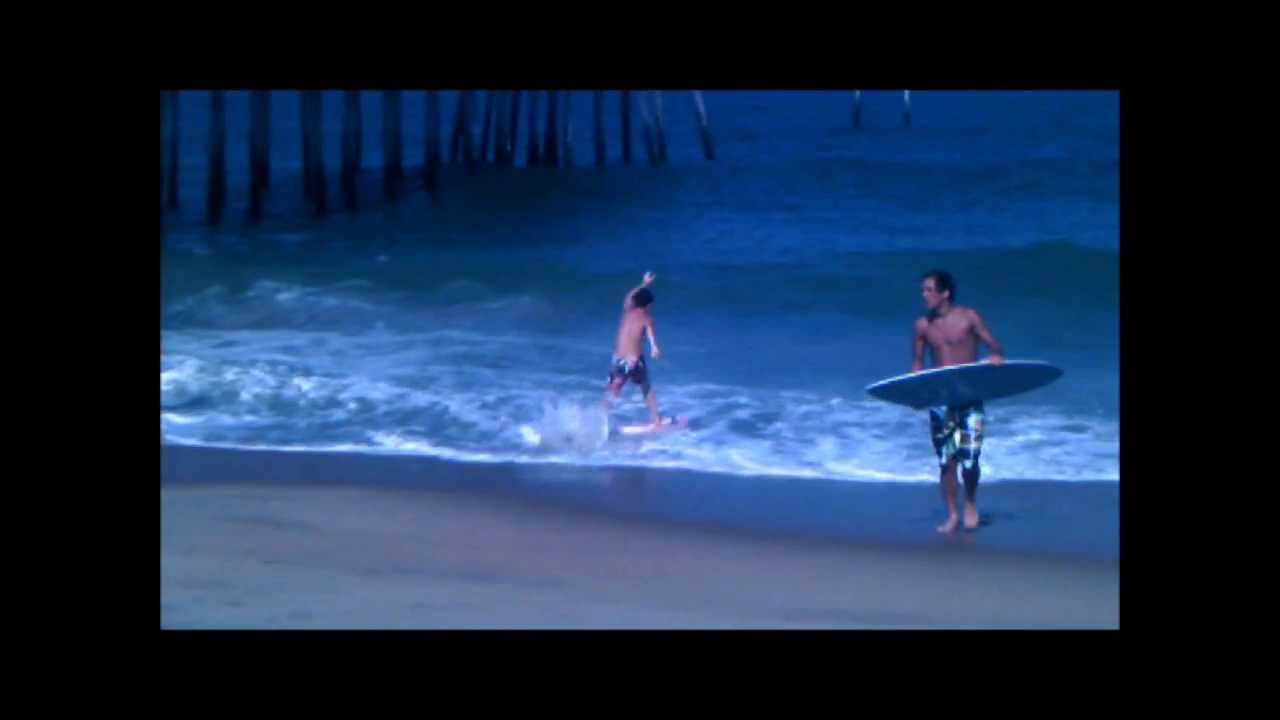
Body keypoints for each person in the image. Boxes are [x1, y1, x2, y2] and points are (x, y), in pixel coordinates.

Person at [911, 270, 1005, 533]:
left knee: (971, 459)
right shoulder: (922, 326)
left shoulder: (969, 317)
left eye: (929, 290)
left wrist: (995, 358)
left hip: (970, 397)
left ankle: (971, 503)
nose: (924, 295)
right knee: (946, 461)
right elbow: (918, 362)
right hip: (941, 402)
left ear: (945, 293)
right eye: (923, 290)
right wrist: (915, 385)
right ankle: (952, 514)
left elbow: (994, 346)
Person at [604, 272, 664, 426]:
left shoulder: (626, 312)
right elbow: (651, 338)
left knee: (612, 391)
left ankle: (598, 421)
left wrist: (644, 283)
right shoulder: (646, 318)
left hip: (617, 359)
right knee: (646, 386)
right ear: (648, 305)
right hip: (633, 362)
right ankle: (656, 420)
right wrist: (654, 349)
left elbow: (630, 295)